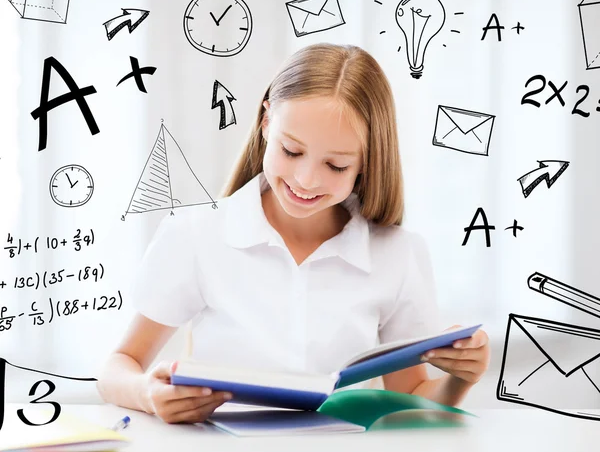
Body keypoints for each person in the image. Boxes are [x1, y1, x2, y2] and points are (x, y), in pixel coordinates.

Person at [96, 43, 490, 424]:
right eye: (291, 151)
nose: (305, 180)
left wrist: (460, 378)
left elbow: (411, 404)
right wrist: (148, 394)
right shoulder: (196, 235)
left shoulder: (398, 254)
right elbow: (118, 368)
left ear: (367, 163)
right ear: (267, 121)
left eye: (336, 165)